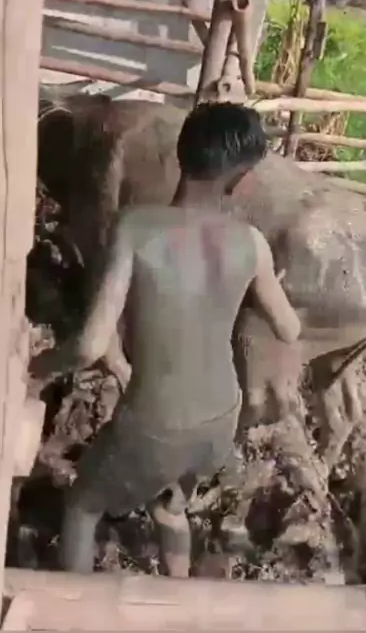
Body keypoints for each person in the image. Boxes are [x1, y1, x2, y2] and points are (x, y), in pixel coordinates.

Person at [29, 102, 302, 577]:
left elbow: (90, 345)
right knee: (171, 507)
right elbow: (289, 329)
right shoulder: (252, 243)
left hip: (155, 424)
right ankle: (179, 594)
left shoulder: (136, 226)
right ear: (242, 178)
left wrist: (37, 368)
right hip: (220, 421)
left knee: (82, 507)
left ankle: (75, 606)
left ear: (180, 153)